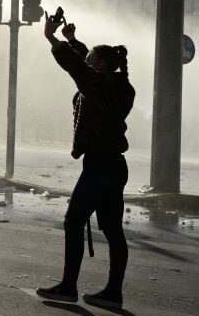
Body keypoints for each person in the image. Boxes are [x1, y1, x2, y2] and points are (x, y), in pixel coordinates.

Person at [36, 18, 135, 309]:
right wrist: (73, 40)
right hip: (113, 166)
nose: (87, 60)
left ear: (101, 65)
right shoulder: (118, 85)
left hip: (100, 166)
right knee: (113, 229)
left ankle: (68, 287)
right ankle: (112, 293)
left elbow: (79, 69)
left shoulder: (98, 86)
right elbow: (86, 65)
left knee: (73, 221)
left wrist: (52, 39)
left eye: (92, 57)